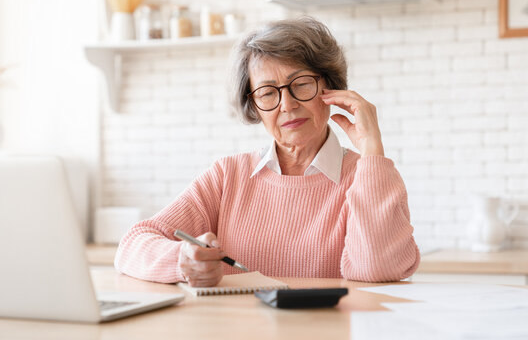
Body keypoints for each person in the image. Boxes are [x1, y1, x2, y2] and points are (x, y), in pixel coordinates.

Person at [114, 17, 420, 287]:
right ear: (254, 106)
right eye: (268, 92)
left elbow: (378, 269)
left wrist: (371, 151)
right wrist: (183, 259)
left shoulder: (366, 175)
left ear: (329, 88)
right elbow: (132, 244)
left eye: (301, 84)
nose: (287, 105)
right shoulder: (227, 176)